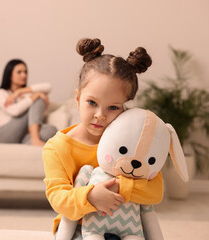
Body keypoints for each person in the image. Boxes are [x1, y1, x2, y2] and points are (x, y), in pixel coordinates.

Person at [43, 38, 163, 239]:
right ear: (78, 98)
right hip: (79, 228)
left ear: (127, 108)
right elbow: (58, 198)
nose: (100, 114)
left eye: (113, 107)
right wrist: (90, 196)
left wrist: (120, 187)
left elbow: (155, 191)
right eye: (92, 102)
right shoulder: (58, 147)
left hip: (128, 228)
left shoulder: (135, 144)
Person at [0, 59, 57, 146]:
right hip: (4, 135)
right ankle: (35, 139)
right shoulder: (1, 93)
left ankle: (30, 141)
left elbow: (48, 87)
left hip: (21, 135)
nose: (24, 75)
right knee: (38, 99)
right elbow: (14, 111)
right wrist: (36, 95)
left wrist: (20, 91)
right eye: (19, 72)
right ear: (10, 75)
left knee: (51, 130)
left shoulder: (26, 94)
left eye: (25, 72)